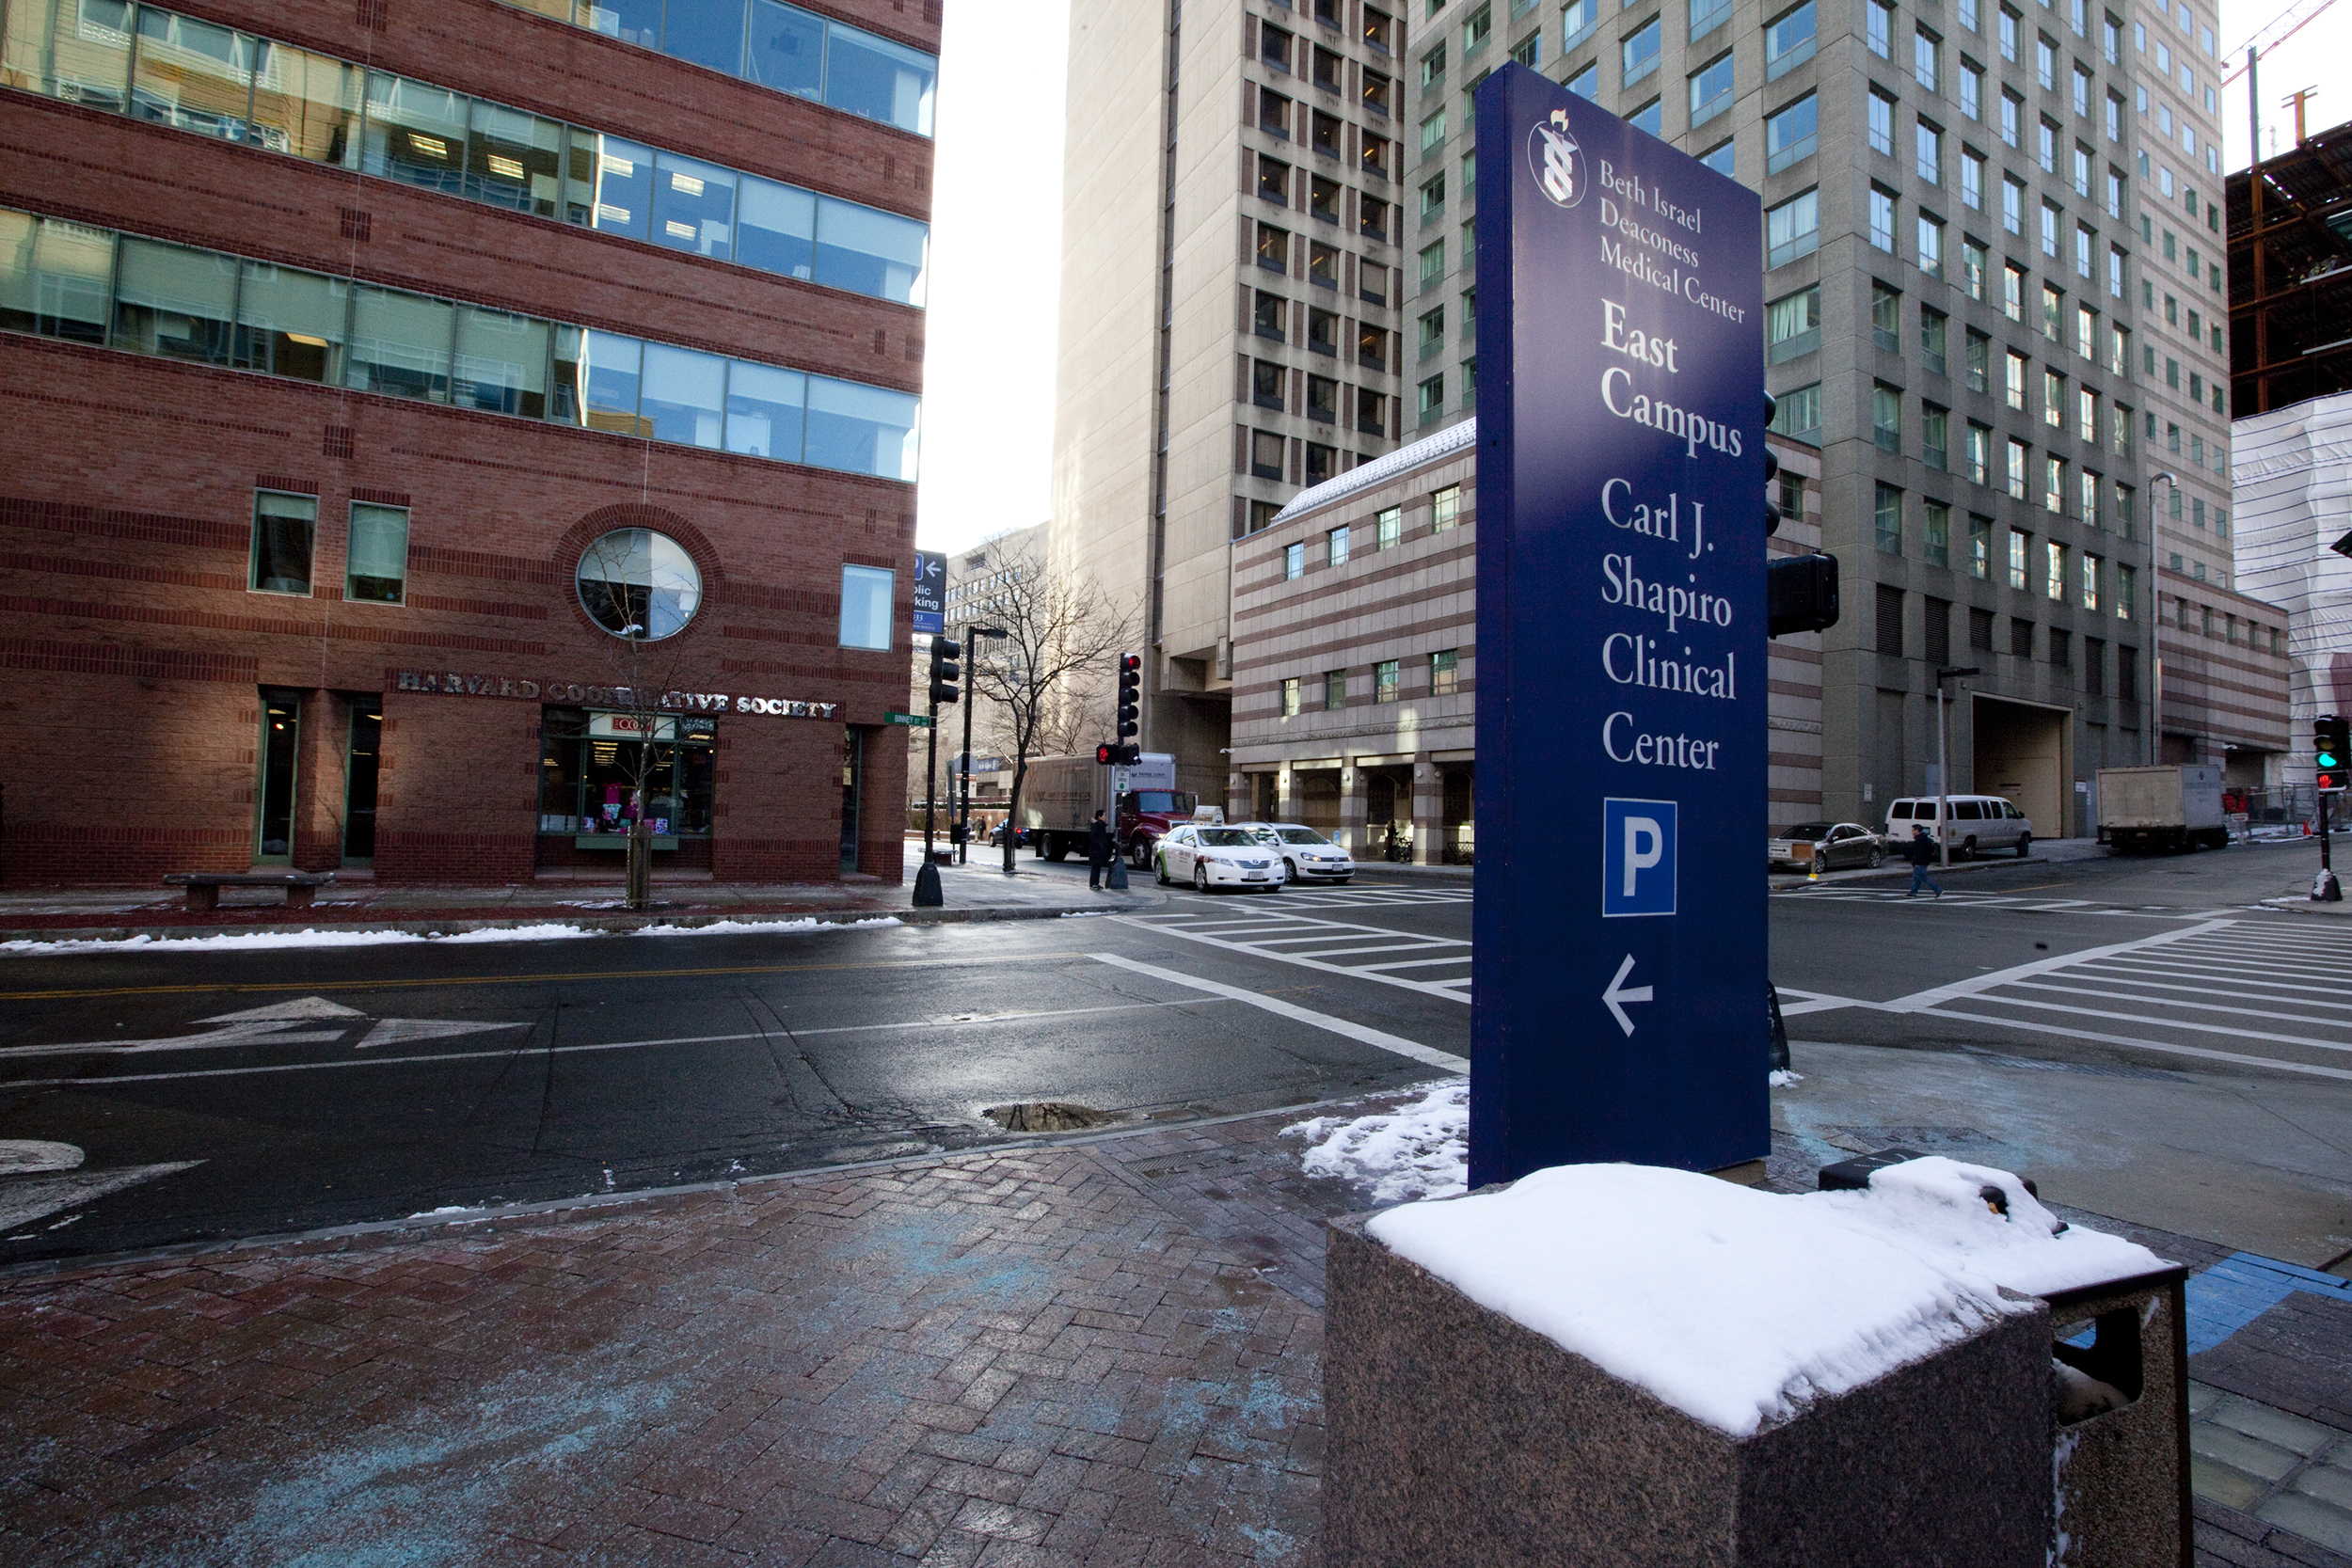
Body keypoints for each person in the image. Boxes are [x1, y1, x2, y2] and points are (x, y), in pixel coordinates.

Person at [1904, 825, 1944, 899]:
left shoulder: (1919, 840)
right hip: (1924, 861)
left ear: (1917, 830)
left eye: (1913, 830)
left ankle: (1937, 890)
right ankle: (1913, 893)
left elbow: (1918, 852)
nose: (1912, 832)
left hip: (1920, 861)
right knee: (1917, 878)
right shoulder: (1925, 839)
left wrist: (1915, 860)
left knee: (1923, 877)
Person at [1088, 808, 1115, 890]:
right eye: (1104, 815)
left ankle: (1096, 883)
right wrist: (1100, 846)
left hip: (1098, 850)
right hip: (1096, 850)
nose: (1105, 817)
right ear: (1099, 817)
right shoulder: (1096, 826)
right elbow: (1094, 837)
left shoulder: (1100, 825)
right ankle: (1093, 884)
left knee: (1098, 867)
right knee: (1095, 867)